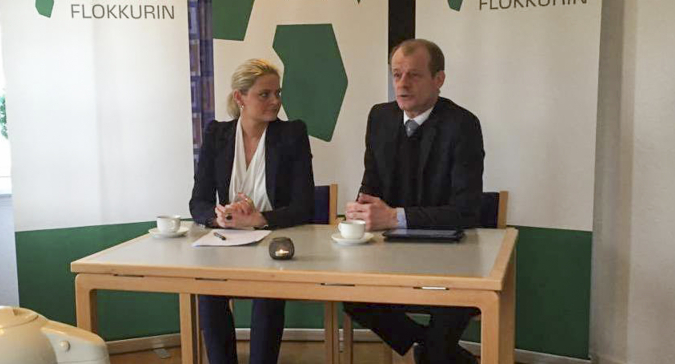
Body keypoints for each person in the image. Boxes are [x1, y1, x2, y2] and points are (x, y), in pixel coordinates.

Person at [343, 39, 485, 364]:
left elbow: (466, 212)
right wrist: (362, 210)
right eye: (397, 75)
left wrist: (394, 217)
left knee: (451, 309)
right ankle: (429, 348)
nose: (402, 84)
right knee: (350, 293)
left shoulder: (462, 125)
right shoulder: (380, 117)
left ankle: (433, 351)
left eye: (414, 75)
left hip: (451, 258)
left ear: (439, 79)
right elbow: (371, 184)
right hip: (390, 254)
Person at [189, 58, 314, 364]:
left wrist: (260, 219)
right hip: (226, 240)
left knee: (268, 289)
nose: (275, 101)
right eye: (264, 94)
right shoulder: (217, 134)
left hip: (274, 238)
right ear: (240, 97)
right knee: (208, 289)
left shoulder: (292, 134)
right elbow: (198, 202)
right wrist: (218, 217)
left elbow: (304, 206)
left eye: (277, 93)